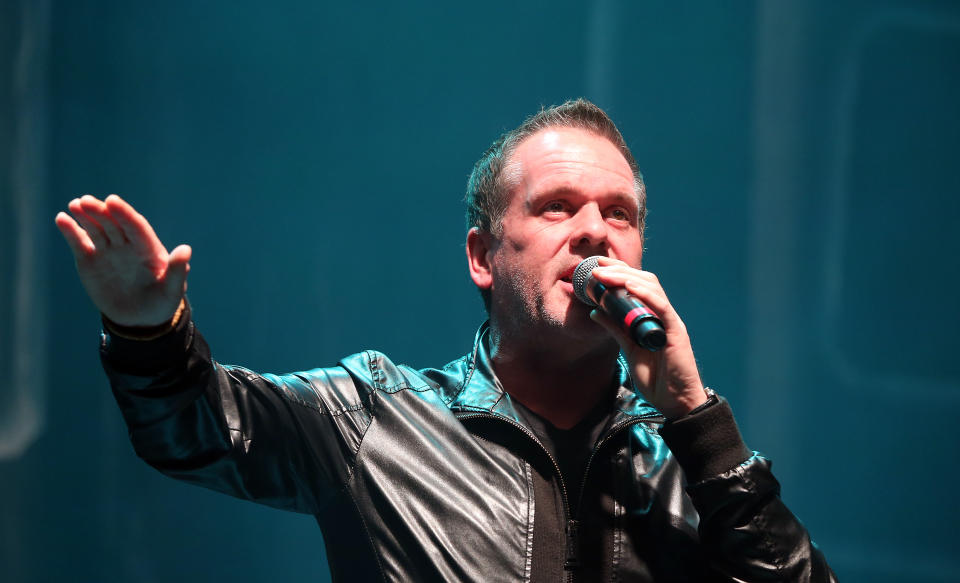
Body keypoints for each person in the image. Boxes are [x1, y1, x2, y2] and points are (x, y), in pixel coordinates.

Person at [56, 99, 836, 582]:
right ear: (482, 256)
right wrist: (147, 329)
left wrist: (696, 416)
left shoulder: (689, 476)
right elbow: (196, 428)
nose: (595, 230)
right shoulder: (376, 418)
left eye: (620, 213)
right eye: (558, 206)